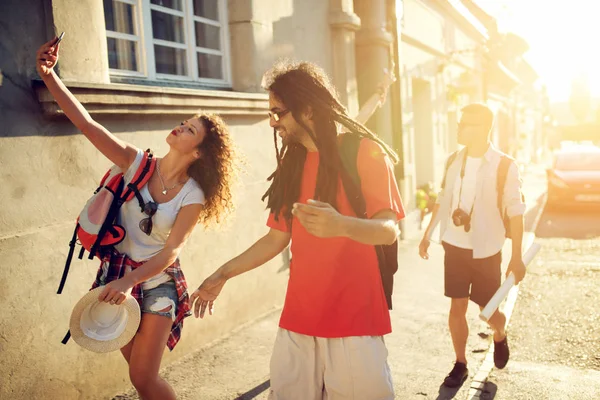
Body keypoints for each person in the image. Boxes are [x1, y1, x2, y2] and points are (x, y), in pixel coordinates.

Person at [190, 61, 404, 399]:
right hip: (299, 319)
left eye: (278, 112)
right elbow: (276, 237)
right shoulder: (293, 163)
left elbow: (389, 229)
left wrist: (342, 225)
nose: (273, 122)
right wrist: (222, 274)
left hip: (356, 319)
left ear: (306, 109)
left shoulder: (365, 151)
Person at [36, 36, 236, 400]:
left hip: (157, 282)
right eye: (182, 122)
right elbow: (88, 125)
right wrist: (50, 76)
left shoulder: (193, 195)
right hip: (115, 274)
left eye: (189, 129)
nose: (179, 127)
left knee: (145, 378)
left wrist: (130, 282)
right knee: (138, 376)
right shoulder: (136, 164)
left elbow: (171, 251)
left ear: (199, 152)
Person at [418, 103, 526, 388]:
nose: (459, 128)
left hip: (487, 248)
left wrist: (517, 258)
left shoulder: (505, 165)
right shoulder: (454, 159)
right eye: (459, 122)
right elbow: (443, 197)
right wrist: (427, 233)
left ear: (483, 129)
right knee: (457, 306)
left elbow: (516, 212)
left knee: (488, 309)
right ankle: (460, 363)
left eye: (465, 124)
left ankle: (500, 333)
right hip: (454, 245)